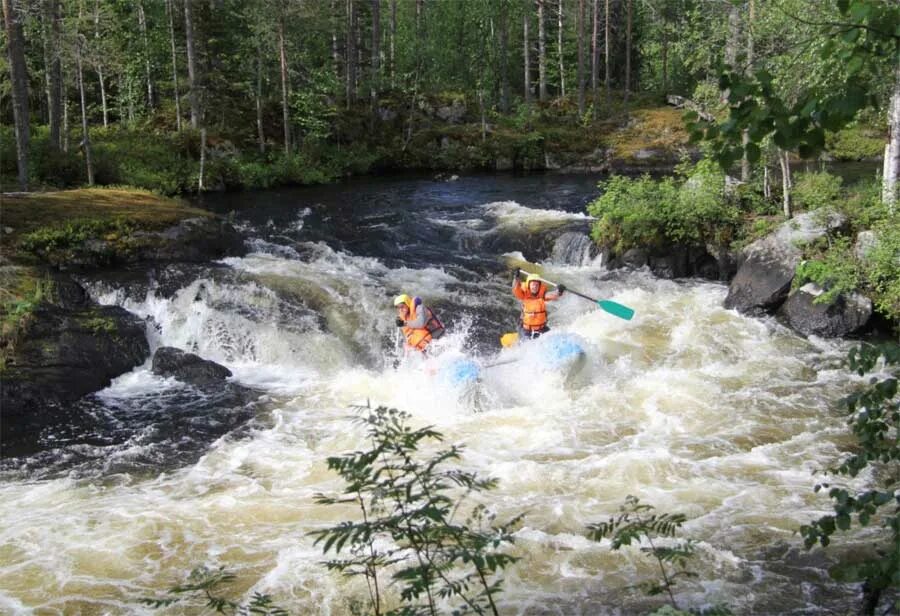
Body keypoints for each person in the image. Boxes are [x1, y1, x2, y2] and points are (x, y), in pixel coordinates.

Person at [512, 269, 565, 340]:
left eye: (537, 285)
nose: (535, 287)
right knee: (527, 343)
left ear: (539, 286)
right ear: (528, 285)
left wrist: (559, 291)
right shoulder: (523, 294)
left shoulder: (542, 295)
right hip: (527, 330)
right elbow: (515, 289)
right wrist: (516, 277)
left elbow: (553, 295)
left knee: (555, 339)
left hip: (542, 329)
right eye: (533, 285)